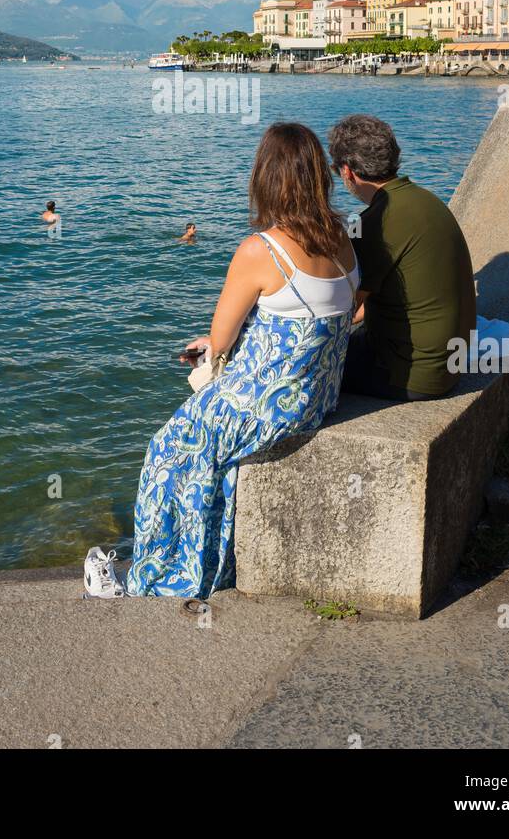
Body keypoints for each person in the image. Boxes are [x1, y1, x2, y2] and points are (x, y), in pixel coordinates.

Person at [84, 122, 359, 600]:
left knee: (167, 451)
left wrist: (209, 344)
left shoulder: (261, 249)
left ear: (265, 180)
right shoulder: (341, 239)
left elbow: (220, 336)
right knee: (209, 457)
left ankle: (154, 579)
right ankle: (210, 562)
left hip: (270, 406)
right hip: (317, 398)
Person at [328, 114, 476, 402]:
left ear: (347, 171)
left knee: (302, 370)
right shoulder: (428, 201)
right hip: (449, 363)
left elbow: (340, 309)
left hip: (413, 373)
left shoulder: (374, 223)